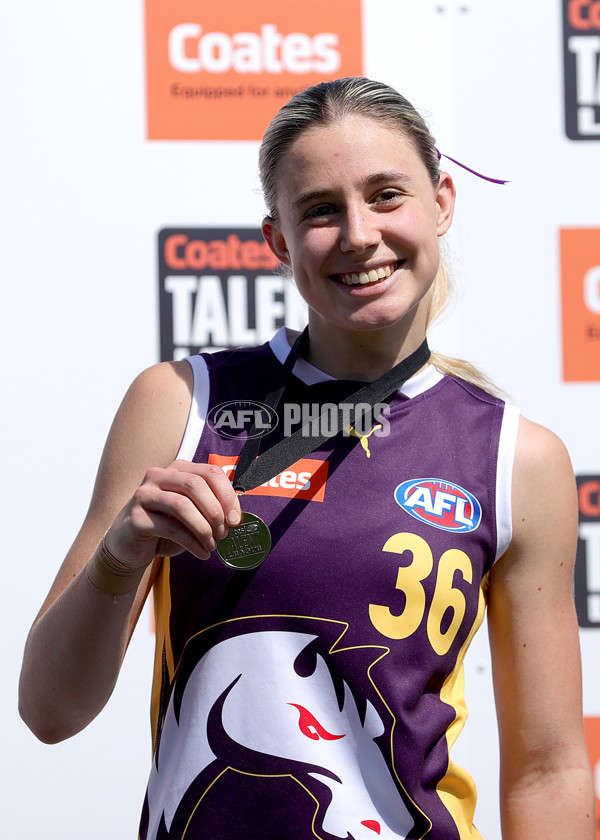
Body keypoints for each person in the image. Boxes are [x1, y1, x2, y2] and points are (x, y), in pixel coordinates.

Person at [19, 77, 593, 840]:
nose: (358, 234)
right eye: (321, 210)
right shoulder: (181, 405)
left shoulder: (516, 457)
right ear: (280, 240)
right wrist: (120, 559)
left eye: (387, 195)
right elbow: (50, 712)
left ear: (443, 201)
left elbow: (548, 769)